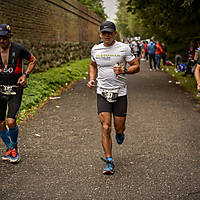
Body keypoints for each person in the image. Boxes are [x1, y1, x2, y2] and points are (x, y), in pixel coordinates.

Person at [87, 21, 139, 175]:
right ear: (100, 34)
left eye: (110, 33)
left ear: (115, 34)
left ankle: (120, 133)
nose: (107, 35)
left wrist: (124, 70)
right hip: (102, 92)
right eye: (104, 33)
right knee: (105, 127)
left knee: (118, 127)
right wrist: (91, 79)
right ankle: (109, 161)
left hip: (120, 93)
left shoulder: (123, 48)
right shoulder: (96, 49)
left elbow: (136, 66)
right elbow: (92, 65)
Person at [0, 24, 37, 163]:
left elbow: (33, 60)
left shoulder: (19, 48)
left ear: (10, 36)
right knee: (1, 123)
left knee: (11, 121)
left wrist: (25, 75)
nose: (2, 40)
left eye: (4, 37)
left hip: (15, 89)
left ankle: (14, 148)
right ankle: (9, 147)